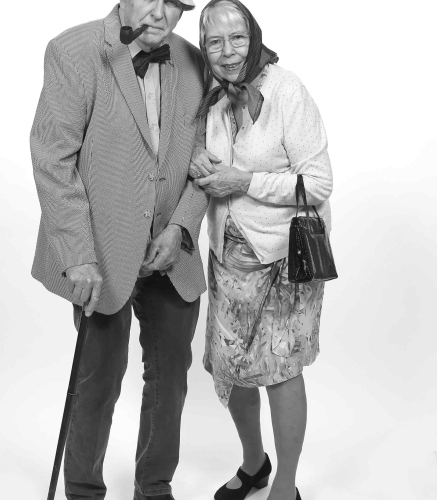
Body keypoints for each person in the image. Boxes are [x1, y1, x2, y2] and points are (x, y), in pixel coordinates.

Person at [30, 1, 209, 499]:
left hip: (171, 250)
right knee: (100, 378)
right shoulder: (73, 51)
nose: (158, 13)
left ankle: (154, 485)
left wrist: (181, 228)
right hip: (101, 251)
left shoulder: (194, 61)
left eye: (173, 3)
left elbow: (206, 159)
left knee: (170, 378)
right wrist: (77, 254)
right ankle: (83, 490)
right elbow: (52, 158)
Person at [189, 1, 333, 499]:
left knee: (280, 372)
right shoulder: (209, 96)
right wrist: (196, 158)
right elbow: (197, 153)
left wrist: (244, 181)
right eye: (214, 41)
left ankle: (285, 487)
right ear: (203, 48)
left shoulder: (287, 91)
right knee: (231, 367)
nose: (227, 52)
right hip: (227, 258)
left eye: (238, 38)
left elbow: (318, 183)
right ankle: (255, 465)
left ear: (255, 37)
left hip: (283, 260)